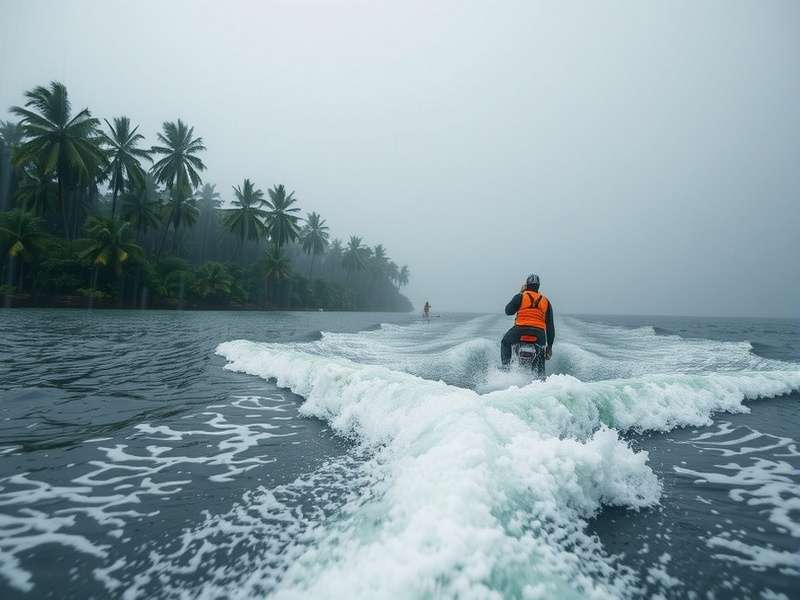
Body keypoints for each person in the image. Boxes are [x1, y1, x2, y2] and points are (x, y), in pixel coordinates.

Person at [500, 273, 555, 372]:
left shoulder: (520, 296)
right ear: (538, 286)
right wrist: (549, 347)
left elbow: (508, 311)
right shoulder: (546, 301)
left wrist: (520, 293)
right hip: (539, 334)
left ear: (526, 285)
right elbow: (550, 326)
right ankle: (541, 377)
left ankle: (506, 368)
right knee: (541, 354)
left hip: (520, 330)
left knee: (505, 342)